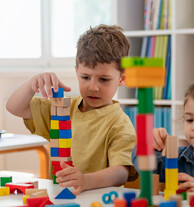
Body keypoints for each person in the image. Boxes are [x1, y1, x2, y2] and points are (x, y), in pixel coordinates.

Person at [6, 25, 138, 195]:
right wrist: (33, 83)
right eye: (85, 77)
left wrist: (86, 180)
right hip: (59, 197)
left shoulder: (119, 123)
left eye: (104, 79)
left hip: (98, 201)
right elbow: (14, 107)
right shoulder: (61, 108)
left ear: (122, 79)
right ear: (76, 72)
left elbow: (122, 172)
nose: (93, 87)